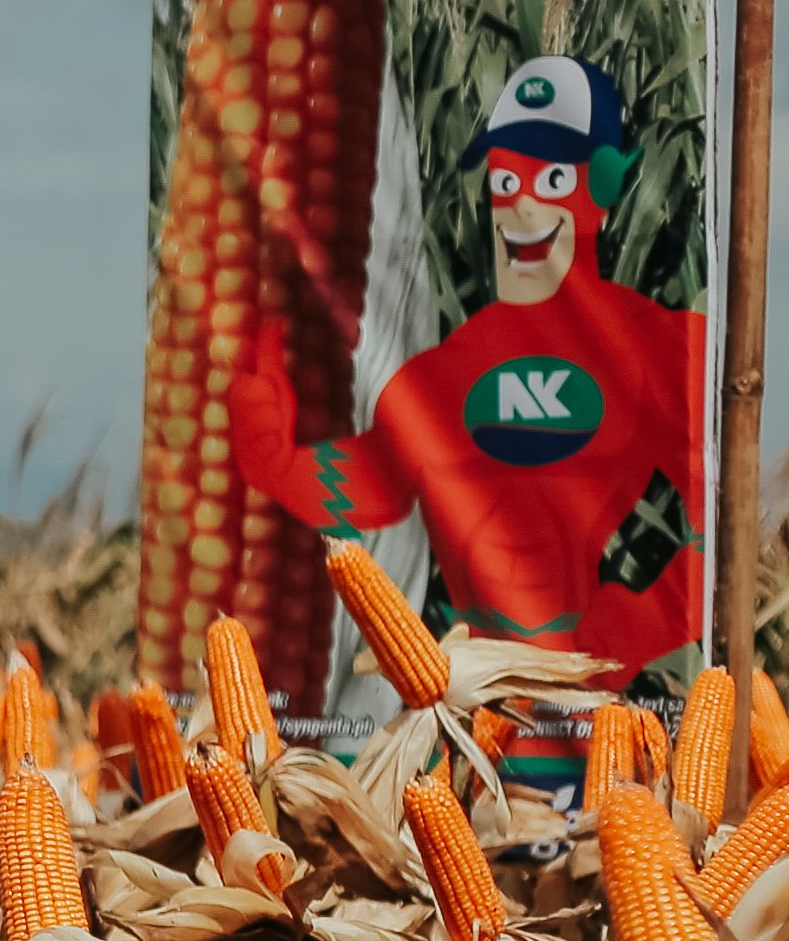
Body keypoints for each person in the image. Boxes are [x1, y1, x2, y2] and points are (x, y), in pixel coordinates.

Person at [241, 51, 706, 687]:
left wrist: (636, 625)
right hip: (469, 746)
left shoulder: (661, 351)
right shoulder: (443, 379)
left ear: (602, 186)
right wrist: (270, 456)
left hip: (606, 739)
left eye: (548, 182)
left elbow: (732, 530)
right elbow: (364, 490)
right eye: (504, 182)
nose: (519, 208)